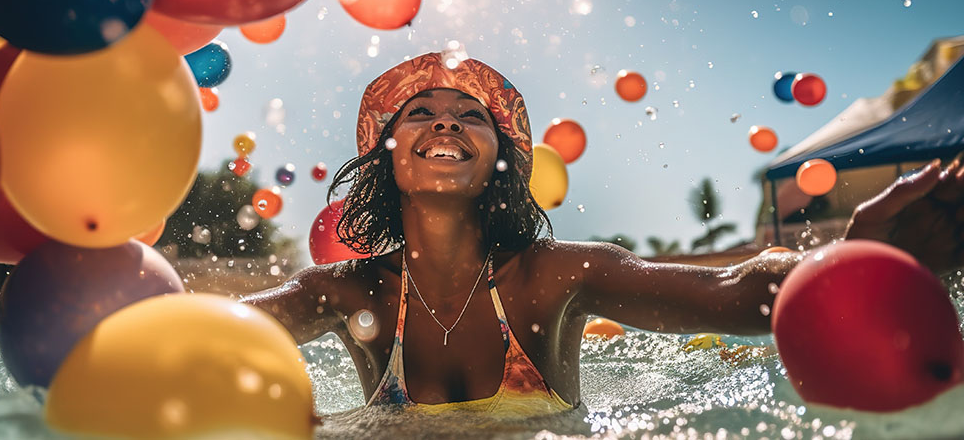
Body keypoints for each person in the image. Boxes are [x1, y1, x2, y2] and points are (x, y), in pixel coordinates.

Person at [241, 53, 964, 417]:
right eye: (419, 112)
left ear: (503, 157)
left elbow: (730, 290)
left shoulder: (551, 276)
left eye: (470, 115)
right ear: (385, 154)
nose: (444, 122)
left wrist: (849, 264)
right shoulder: (342, 292)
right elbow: (212, 331)